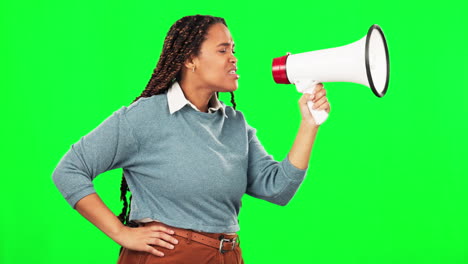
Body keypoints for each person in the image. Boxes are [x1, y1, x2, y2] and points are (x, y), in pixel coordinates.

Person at [52, 14, 330, 264]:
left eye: (233, 50)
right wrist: (121, 233)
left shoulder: (235, 123)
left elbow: (278, 188)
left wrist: (309, 124)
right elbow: (69, 170)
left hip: (228, 255)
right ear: (189, 59)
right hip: (169, 257)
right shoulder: (146, 116)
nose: (233, 58)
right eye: (222, 50)